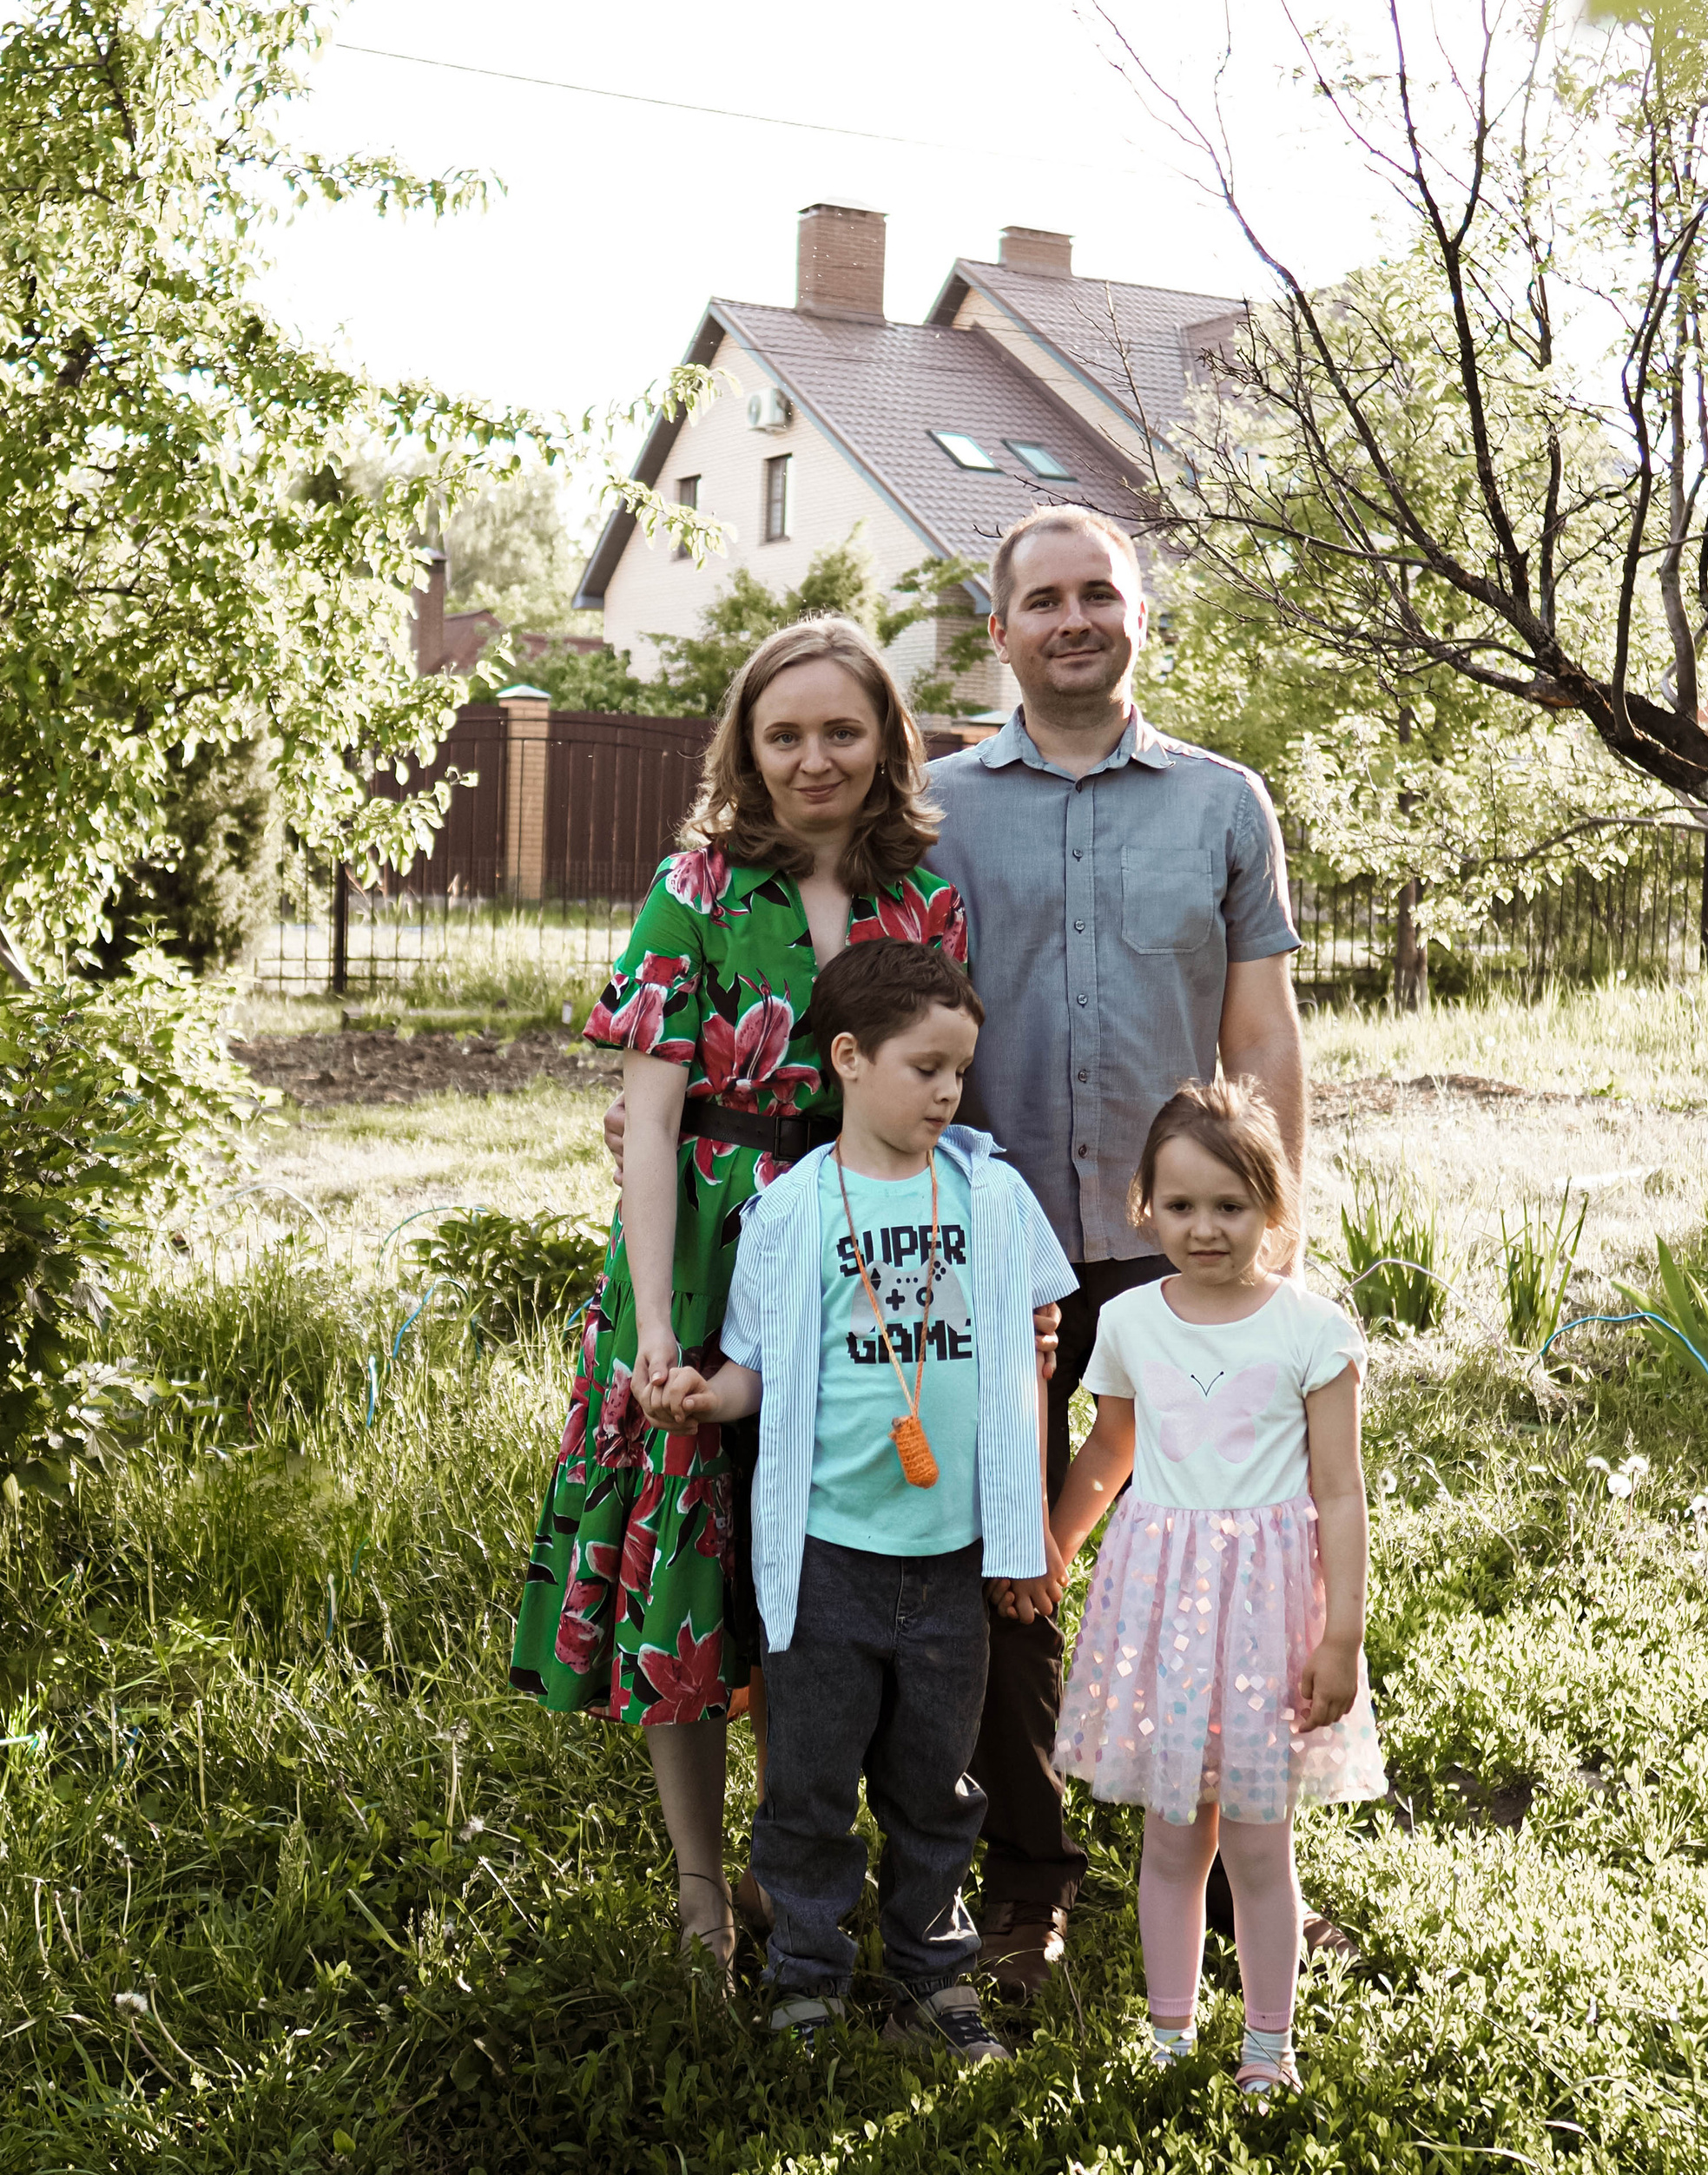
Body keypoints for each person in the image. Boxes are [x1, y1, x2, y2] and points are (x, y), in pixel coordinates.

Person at [509, 620, 969, 1974]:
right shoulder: (694, 885)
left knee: (821, 1566)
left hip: (856, 1243)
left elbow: (940, 1090)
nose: (815, 758)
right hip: (707, 1245)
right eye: (785, 735)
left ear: (887, 738)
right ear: (746, 751)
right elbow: (648, 1122)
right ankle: (704, 1887)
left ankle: (811, 1858)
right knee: (690, 1562)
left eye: (842, 730)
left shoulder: (924, 896)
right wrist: (657, 1322)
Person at [921, 505, 1308, 1994]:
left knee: (1211, 1559)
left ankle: (1223, 1883)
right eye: (1046, 598)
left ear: (1142, 616)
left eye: (1102, 593)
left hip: (1183, 1255)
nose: (1074, 617)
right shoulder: (939, 808)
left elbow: (1262, 1027)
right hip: (987, 1250)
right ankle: (1030, 1876)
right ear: (1002, 626)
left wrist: (1276, 1234)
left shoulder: (1224, 804)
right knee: (1000, 1565)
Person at [648, 939, 1073, 2061]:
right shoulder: (788, 1217)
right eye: (925, 1066)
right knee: (809, 1783)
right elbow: (755, 1372)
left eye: (959, 1072)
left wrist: (1022, 1532)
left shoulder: (991, 1196)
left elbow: (1033, 1372)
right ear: (846, 1058)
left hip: (948, 1560)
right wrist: (703, 1394)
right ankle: (806, 1977)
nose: (948, 1091)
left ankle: (935, 1975)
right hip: (827, 1554)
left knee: (940, 1785)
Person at [1047, 1080, 1384, 2087]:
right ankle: (1168, 2034)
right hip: (1162, 1613)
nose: (1205, 1228)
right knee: (1169, 1835)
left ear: (1271, 1210)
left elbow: (1339, 1493)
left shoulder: (1311, 1331)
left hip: (1267, 1619)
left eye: (1230, 1206)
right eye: (1182, 1205)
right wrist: (1059, 1544)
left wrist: (1342, 1638)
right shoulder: (1130, 1321)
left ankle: (1267, 2047)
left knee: (1255, 1841)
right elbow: (1110, 1447)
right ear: (1144, 1203)